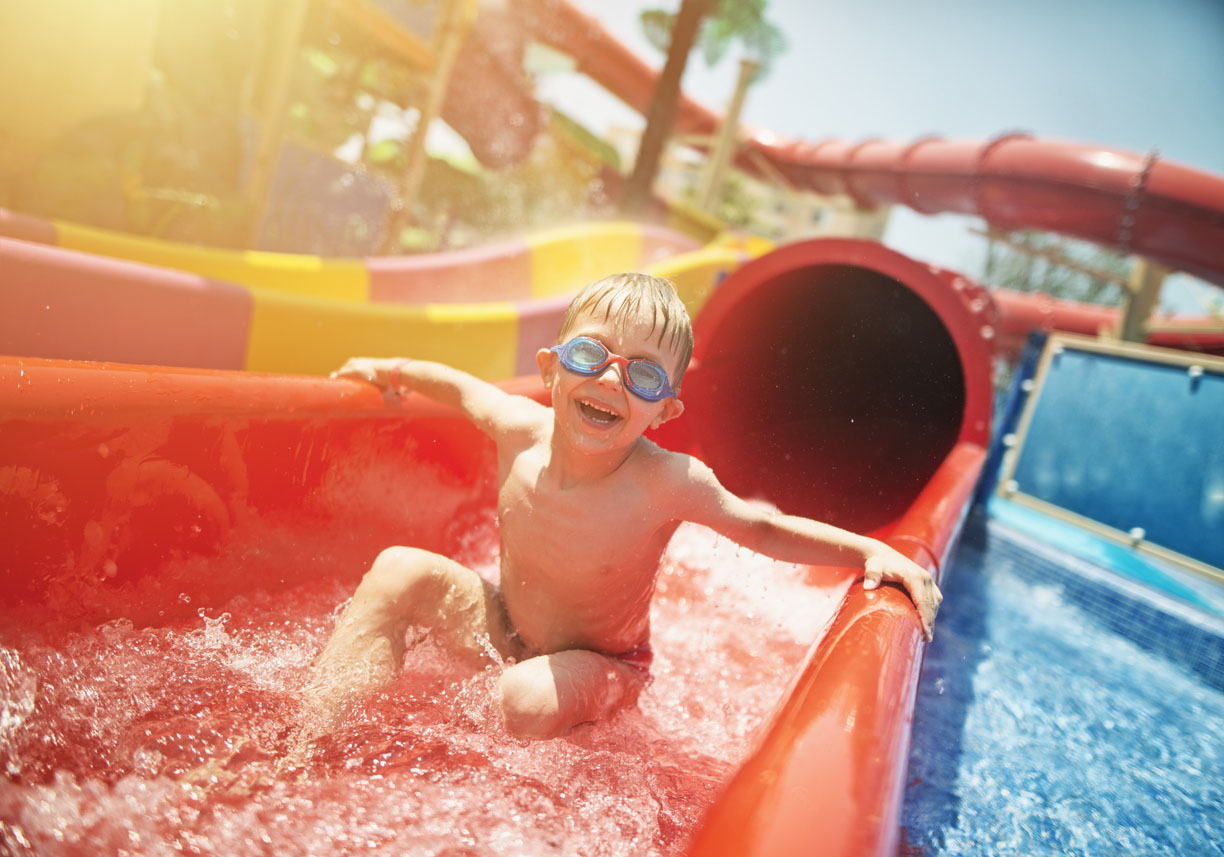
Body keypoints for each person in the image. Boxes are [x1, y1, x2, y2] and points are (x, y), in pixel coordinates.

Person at [308, 272, 942, 740]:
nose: (611, 378)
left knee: (525, 700)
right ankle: (307, 739)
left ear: (665, 411)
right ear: (551, 370)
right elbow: (460, 386)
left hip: (603, 663)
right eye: (591, 354)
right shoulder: (516, 427)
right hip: (505, 623)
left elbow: (764, 528)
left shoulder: (667, 481)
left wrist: (873, 549)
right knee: (398, 568)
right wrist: (390, 369)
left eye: (642, 376)